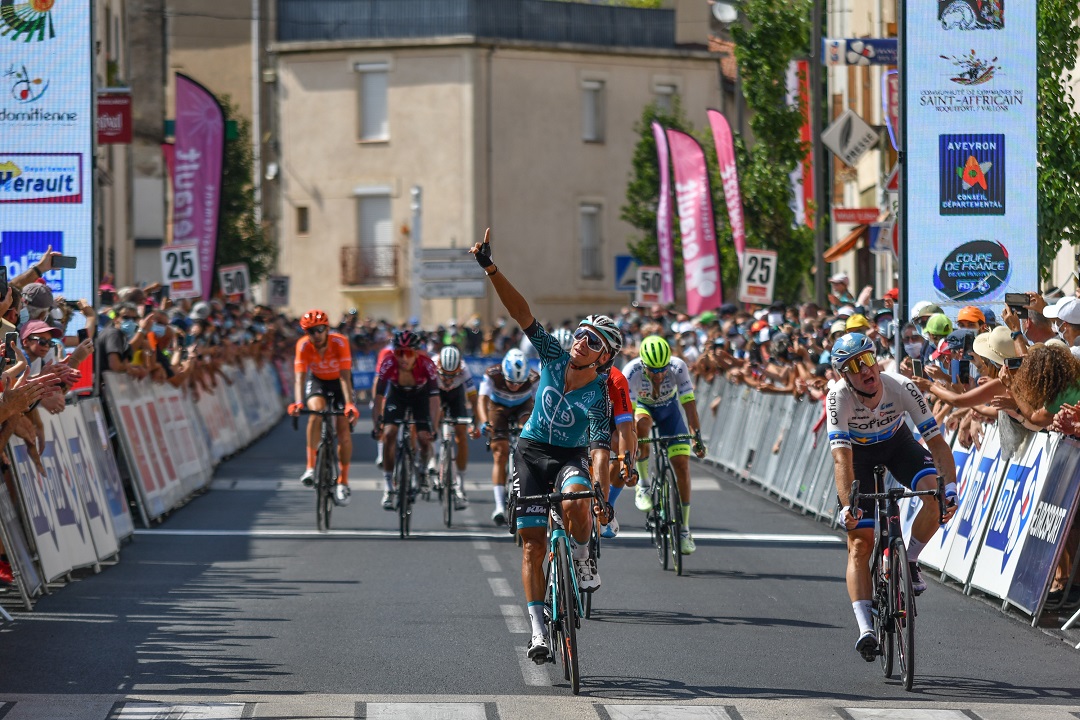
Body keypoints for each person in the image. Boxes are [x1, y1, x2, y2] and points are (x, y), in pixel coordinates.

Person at [470, 228, 614, 665]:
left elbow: (600, 450)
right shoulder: (552, 354)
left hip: (569, 457)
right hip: (531, 451)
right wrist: (491, 268)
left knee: (576, 502)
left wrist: (602, 497)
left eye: (592, 341)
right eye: (581, 333)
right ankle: (537, 632)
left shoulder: (601, 394)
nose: (580, 340)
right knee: (532, 544)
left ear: (603, 358)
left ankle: (584, 555)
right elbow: (521, 312)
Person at [827, 333, 957, 662]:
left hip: (898, 445)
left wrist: (949, 488)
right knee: (860, 543)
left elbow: (937, 443)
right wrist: (847, 508)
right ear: (844, 376)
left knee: (934, 495)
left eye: (868, 359)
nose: (865, 369)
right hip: (858, 456)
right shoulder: (837, 398)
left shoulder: (900, 386)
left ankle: (910, 559)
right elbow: (842, 461)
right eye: (854, 366)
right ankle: (865, 629)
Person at [623, 335, 707, 554]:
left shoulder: (678, 367)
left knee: (681, 465)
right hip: (643, 409)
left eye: (663, 369)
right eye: (653, 370)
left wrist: (696, 437)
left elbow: (689, 405)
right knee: (640, 425)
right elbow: (627, 418)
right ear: (643, 364)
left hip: (670, 412)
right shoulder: (631, 372)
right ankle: (643, 484)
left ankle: (685, 530)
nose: (659, 374)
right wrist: (629, 452)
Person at [288, 310, 359, 506]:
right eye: (310, 331)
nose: (316, 335)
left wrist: (349, 404)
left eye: (319, 330)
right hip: (318, 381)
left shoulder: (340, 342)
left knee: (343, 431)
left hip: (340, 383)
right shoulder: (303, 346)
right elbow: (299, 377)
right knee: (315, 414)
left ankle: (343, 480)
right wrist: (298, 402)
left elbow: (345, 377)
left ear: (327, 329)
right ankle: (311, 467)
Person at [373, 329, 441, 510]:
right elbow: (379, 396)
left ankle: (423, 470)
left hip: (420, 397)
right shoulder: (388, 362)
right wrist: (376, 424)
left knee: (424, 438)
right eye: (399, 353)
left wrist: (433, 427)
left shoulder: (427, 364)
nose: (403, 358)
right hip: (397, 396)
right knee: (389, 435)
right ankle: (388, 487)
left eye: (408, 353)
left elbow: (435, 400)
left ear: (417, 353)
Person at [478, 348, 539, 525]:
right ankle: (499, 506)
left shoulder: (534, 377)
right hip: (498, 408)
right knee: (500, 453)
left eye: (519, 383)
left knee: (527, 431)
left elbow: (539, 405)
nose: (515, 387)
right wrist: (484, 422)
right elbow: (482, 399)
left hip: (523, 407)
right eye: (511, 382)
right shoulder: (492, 374)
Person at [434, 344, 481, 510]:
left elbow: (474, 399)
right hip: (435, 394)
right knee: (434, 420)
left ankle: (460, 483)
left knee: (461, 437)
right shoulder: (431, 366)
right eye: (444, 375)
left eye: (452, 375)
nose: (447, 378)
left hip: (455, 396)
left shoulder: (464, 369)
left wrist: (475, 422)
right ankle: (433, 458)